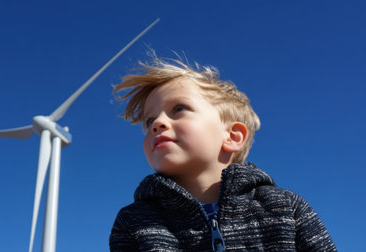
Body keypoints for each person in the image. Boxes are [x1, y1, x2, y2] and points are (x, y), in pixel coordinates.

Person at [109, 55, 336, 251]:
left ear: (232, 136)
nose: (157, 123)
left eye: (178, 109)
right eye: (149, 121)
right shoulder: (134, 222)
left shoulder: (286, 208)